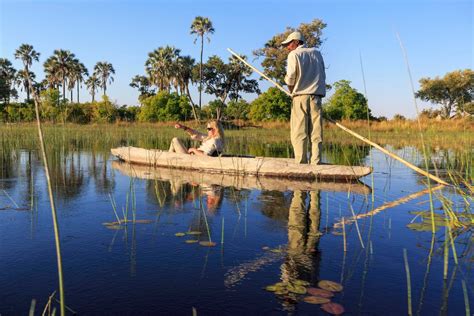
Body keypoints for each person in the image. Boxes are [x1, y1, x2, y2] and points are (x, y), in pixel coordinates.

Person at [281, 31, 326, 164]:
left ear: (296, 42)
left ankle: (300, 163)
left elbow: (290, 78)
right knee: (316, 132)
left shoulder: (294, 54)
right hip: (316, 98)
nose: (287, 47)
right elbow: (323, 73)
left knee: (299, 132)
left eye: (289, 44)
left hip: (300, 97)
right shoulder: (317, 53)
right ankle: (316, 162)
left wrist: (291, 90)